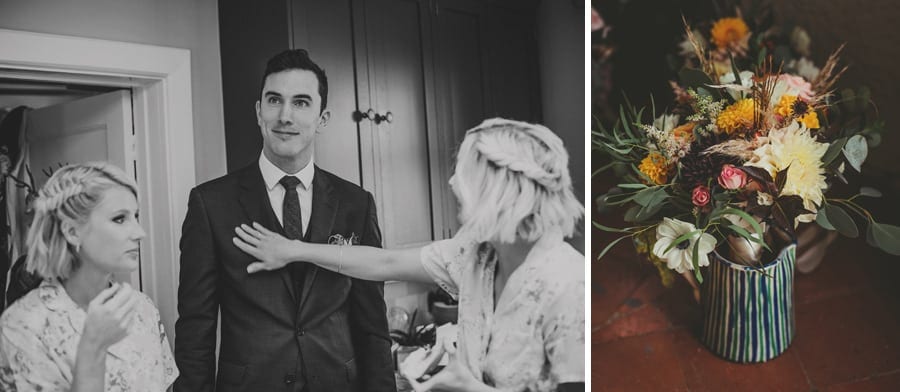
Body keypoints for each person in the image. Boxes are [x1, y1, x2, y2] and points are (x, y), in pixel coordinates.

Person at [234, 118, 586, 392]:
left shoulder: (570, 286)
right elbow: (384, 262)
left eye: (466, 173)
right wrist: (294, 250)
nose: (453, 183)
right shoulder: (475, 253)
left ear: (501, 190)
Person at [174, 49, 395, 392]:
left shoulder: (356, 203)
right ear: (258, 111)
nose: (285, 116)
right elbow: (195, 326)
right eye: (274, 100)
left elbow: (373, 323)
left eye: (301, 102)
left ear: (322, 118)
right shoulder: (211, 203)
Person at [0, 162, 177, 391]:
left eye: (136, 216)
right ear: (72, 232)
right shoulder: (22, 327)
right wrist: (93, 347)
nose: (139, 233)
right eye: (119, 219)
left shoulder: (143, 309)